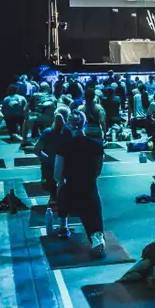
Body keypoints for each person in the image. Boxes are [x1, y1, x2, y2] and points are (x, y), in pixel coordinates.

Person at [55, 109, 108, 259]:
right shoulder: (97, 146)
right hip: (89, 186)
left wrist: (65, 181)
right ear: (85, 124)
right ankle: (97, 237)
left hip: (71, 187)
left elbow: (57, 175)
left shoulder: (64, 147)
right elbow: (98, 170)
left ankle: (63, 226)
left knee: (62, 192)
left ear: (68, 125)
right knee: (92, 214)